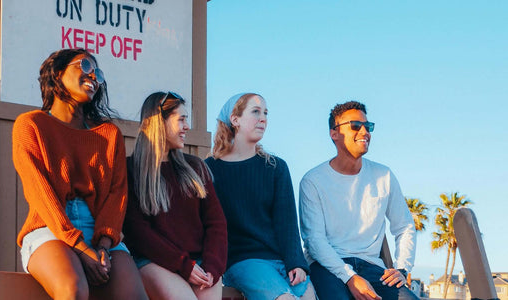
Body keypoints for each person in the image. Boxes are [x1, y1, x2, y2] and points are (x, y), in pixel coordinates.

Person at [13, 49, 147, 300]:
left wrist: (104, 246)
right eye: (85, 65)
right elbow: (41, 195)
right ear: (57, 73)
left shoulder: (109, 134)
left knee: (134, 296)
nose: (93, 75)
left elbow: (117, 195)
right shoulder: (31, 125)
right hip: (50, 227)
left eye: (98, 72)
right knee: (73, 290)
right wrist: (81, 247)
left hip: (100, 231)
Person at [299, 100, 419, 300]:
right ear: (334, 133)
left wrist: (402, 269)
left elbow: (405, 226)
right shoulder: (313, 181)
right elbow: (315, 241)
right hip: (326, 265)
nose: (365, 132)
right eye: (355, 126)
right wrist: (350, 278)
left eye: (368, 126)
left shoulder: (384, 175)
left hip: (371, 266)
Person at [205, 93, 316, 300]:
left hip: (280, 261)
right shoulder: (211, 169)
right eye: (255, 112)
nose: (263, 118)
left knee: (308, 297)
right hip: (241, 261)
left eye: (265, 113)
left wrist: (297, 263)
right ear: (235, 119)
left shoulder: (276, 167)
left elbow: (287, 223)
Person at [122, 91, 228, 300]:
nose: (187, 126)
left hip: (199, 263)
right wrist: (182, 265)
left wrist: (212, 267)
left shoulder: (195, 167)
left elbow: (216, 223)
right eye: (181, 119)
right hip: (154, 262)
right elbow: (137, 232)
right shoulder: (131, 170)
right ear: (158, 123)